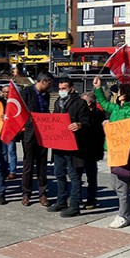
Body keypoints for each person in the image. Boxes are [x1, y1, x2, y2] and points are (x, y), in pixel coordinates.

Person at [94, 77, 130, 228]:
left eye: (118, 92)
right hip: (113, 148)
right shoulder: (117, 108)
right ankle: (128, 213)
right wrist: (98, 88)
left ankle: (122, 215)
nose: (115, 95)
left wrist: (129, 122)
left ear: (124, 95)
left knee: (121, 185)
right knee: (116, 184)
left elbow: (128, 126)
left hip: (124, 150)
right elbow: (103, 104)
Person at [46, 78, 89, 217]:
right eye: (60, 88)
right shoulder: (58, 101)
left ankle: (75, 205)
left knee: (74, 176)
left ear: (71, 88)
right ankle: (61, 201)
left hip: (73, 145)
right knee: (59, 173)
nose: (61, 91)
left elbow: (87, 122)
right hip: (59, 144)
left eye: (64, 88)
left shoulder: (80, 103)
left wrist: (79, 125)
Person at [20, 72, 54, 206]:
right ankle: (26, 193)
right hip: (29, 133)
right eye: (49, 83)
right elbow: (22, 113)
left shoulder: (47, 95)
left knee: (42, 165)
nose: (51, 86)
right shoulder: (26, 92)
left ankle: (42, 193)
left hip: (43, 134)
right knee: (28, 165)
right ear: (43, 81)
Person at [77, 92, 105, 209]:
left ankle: (91, 199)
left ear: (88, 102)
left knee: (91, 176)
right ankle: (76, 197)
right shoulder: (82, 113)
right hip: (80, 149)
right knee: (76, 174)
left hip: (92, 149)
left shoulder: (98, 114)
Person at [1, 85, 18, 180]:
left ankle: (12, 171)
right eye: (5, 92)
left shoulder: (14, 103)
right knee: (3, 152)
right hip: (2, 129)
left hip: (11, 129)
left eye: (8, 92)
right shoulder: (0, 102)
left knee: (11, 151)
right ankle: (4, 170)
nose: (7, 94)